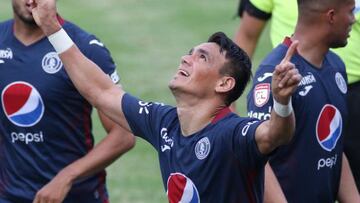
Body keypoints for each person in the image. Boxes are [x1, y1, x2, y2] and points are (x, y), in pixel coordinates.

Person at [28, 0, 303, 202]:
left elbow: (275, 134)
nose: (186, 58)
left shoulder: (233, 133)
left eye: (202, 57)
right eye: (190, 53)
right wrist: (52, 28)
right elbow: (101, 93)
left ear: (224, 84)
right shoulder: (164, 122)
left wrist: (281, 102)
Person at [0, 0, 135, 202]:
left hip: (76, 196)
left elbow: (123, 135)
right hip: (10, 195)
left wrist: (66, 177)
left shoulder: (85, 48)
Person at [235, 0, 360, 194]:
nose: (354, 20)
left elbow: (334, 148)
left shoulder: (336, 66)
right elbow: (257, 160)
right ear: (331, 16)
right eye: (351, 12)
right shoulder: (275, 75)